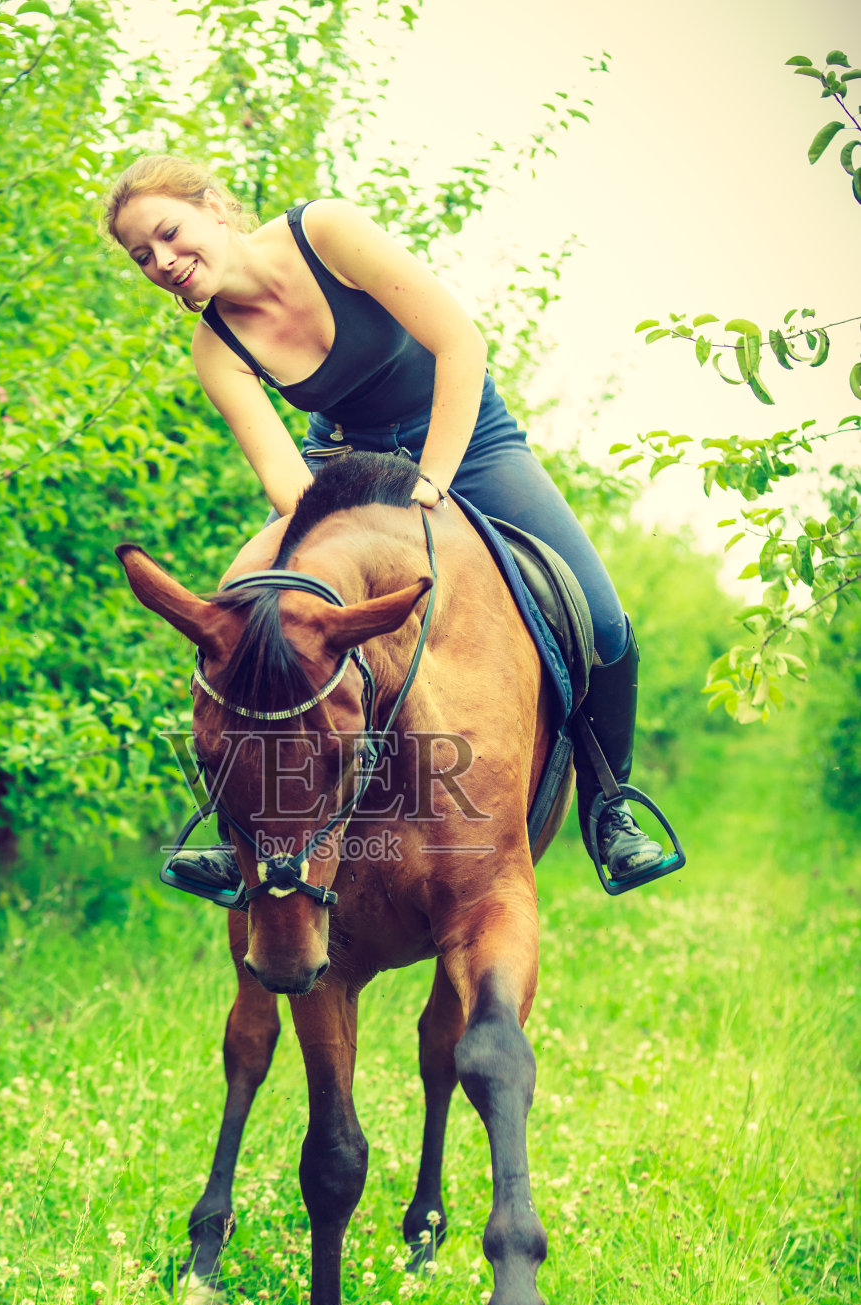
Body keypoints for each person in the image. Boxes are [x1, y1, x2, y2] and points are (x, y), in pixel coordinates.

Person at [103, 154, 668, 894]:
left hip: (468, 438)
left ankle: (610, 810)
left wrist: (433, 479)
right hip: (347, 463)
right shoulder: (215, 348)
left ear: (212, 207)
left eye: (169, 233)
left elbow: (461, 344)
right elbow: (288, 486)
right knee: (245, 605)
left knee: (599, 616)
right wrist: (345, 530)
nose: (164, 261)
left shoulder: (325, 231)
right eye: (142, 256)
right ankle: (231, 830)